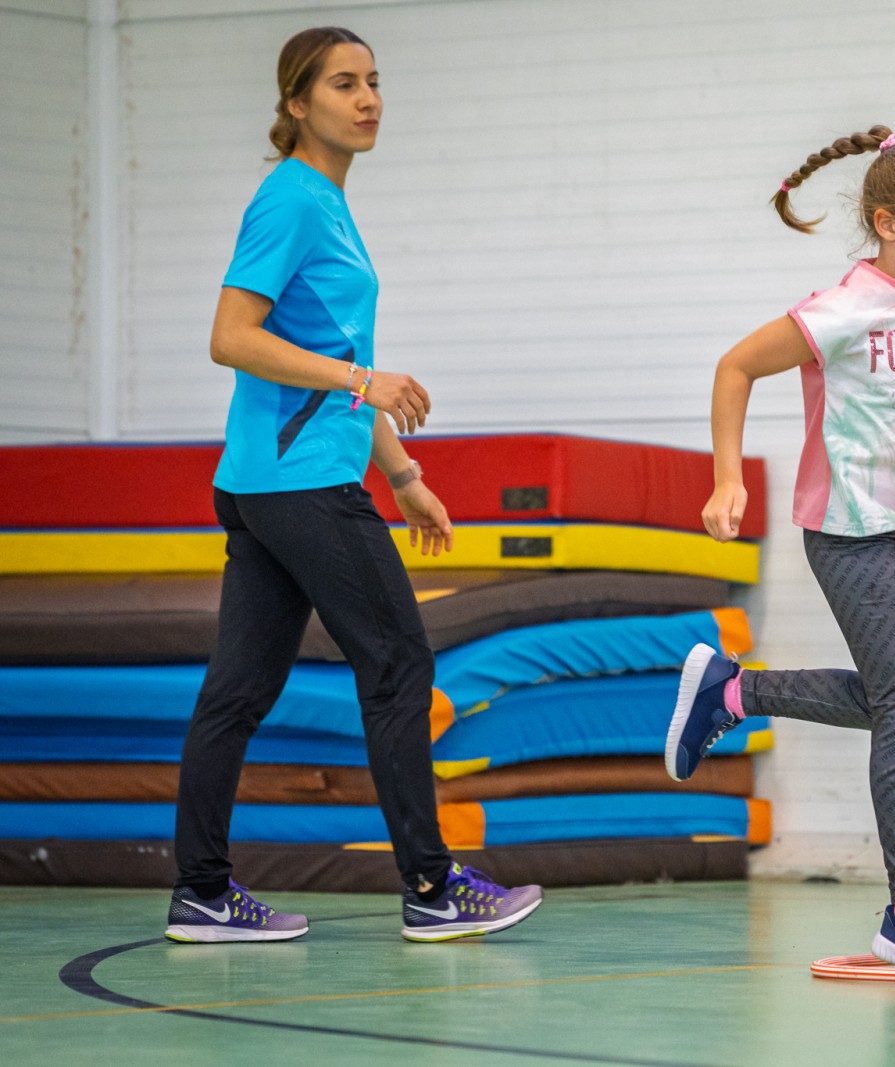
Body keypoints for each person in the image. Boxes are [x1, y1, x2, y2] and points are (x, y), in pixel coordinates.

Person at [165, 27, 540, 944]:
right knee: (399, 663)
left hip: (268, 482)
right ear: (297, 104)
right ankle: (432, 887)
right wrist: (364, 382)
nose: (368, 98)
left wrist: (402, 472)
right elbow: (230, 337)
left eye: (373, 81)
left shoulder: (326, 200)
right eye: (343, 84)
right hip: (302, 486)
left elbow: (332, 355)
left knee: (237, 692)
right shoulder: (292, 199)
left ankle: (201, 893)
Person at [666, 126, 895, 972]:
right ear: (887, 223)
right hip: (851, 531)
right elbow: (736, 366)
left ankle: (735, 689)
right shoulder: (841, 310)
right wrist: (726, 478)